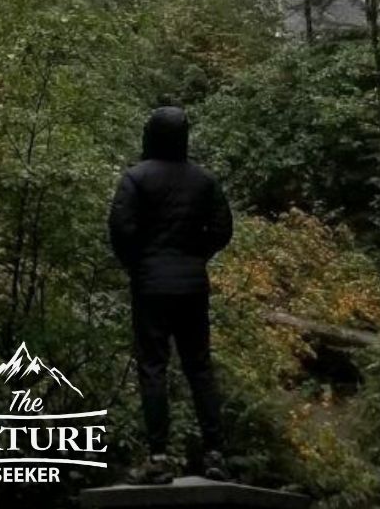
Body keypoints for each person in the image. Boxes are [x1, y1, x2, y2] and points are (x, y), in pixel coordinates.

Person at [108, 106, 233, 485]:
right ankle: (215, 454)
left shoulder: (136, 178)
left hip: (150, 285)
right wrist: (197, 256)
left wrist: (139, 263)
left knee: (153, 367)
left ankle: (158, 457)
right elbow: (223, 229)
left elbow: (120, 229)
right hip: (193, 284)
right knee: (199, 367)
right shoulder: (204, 180)